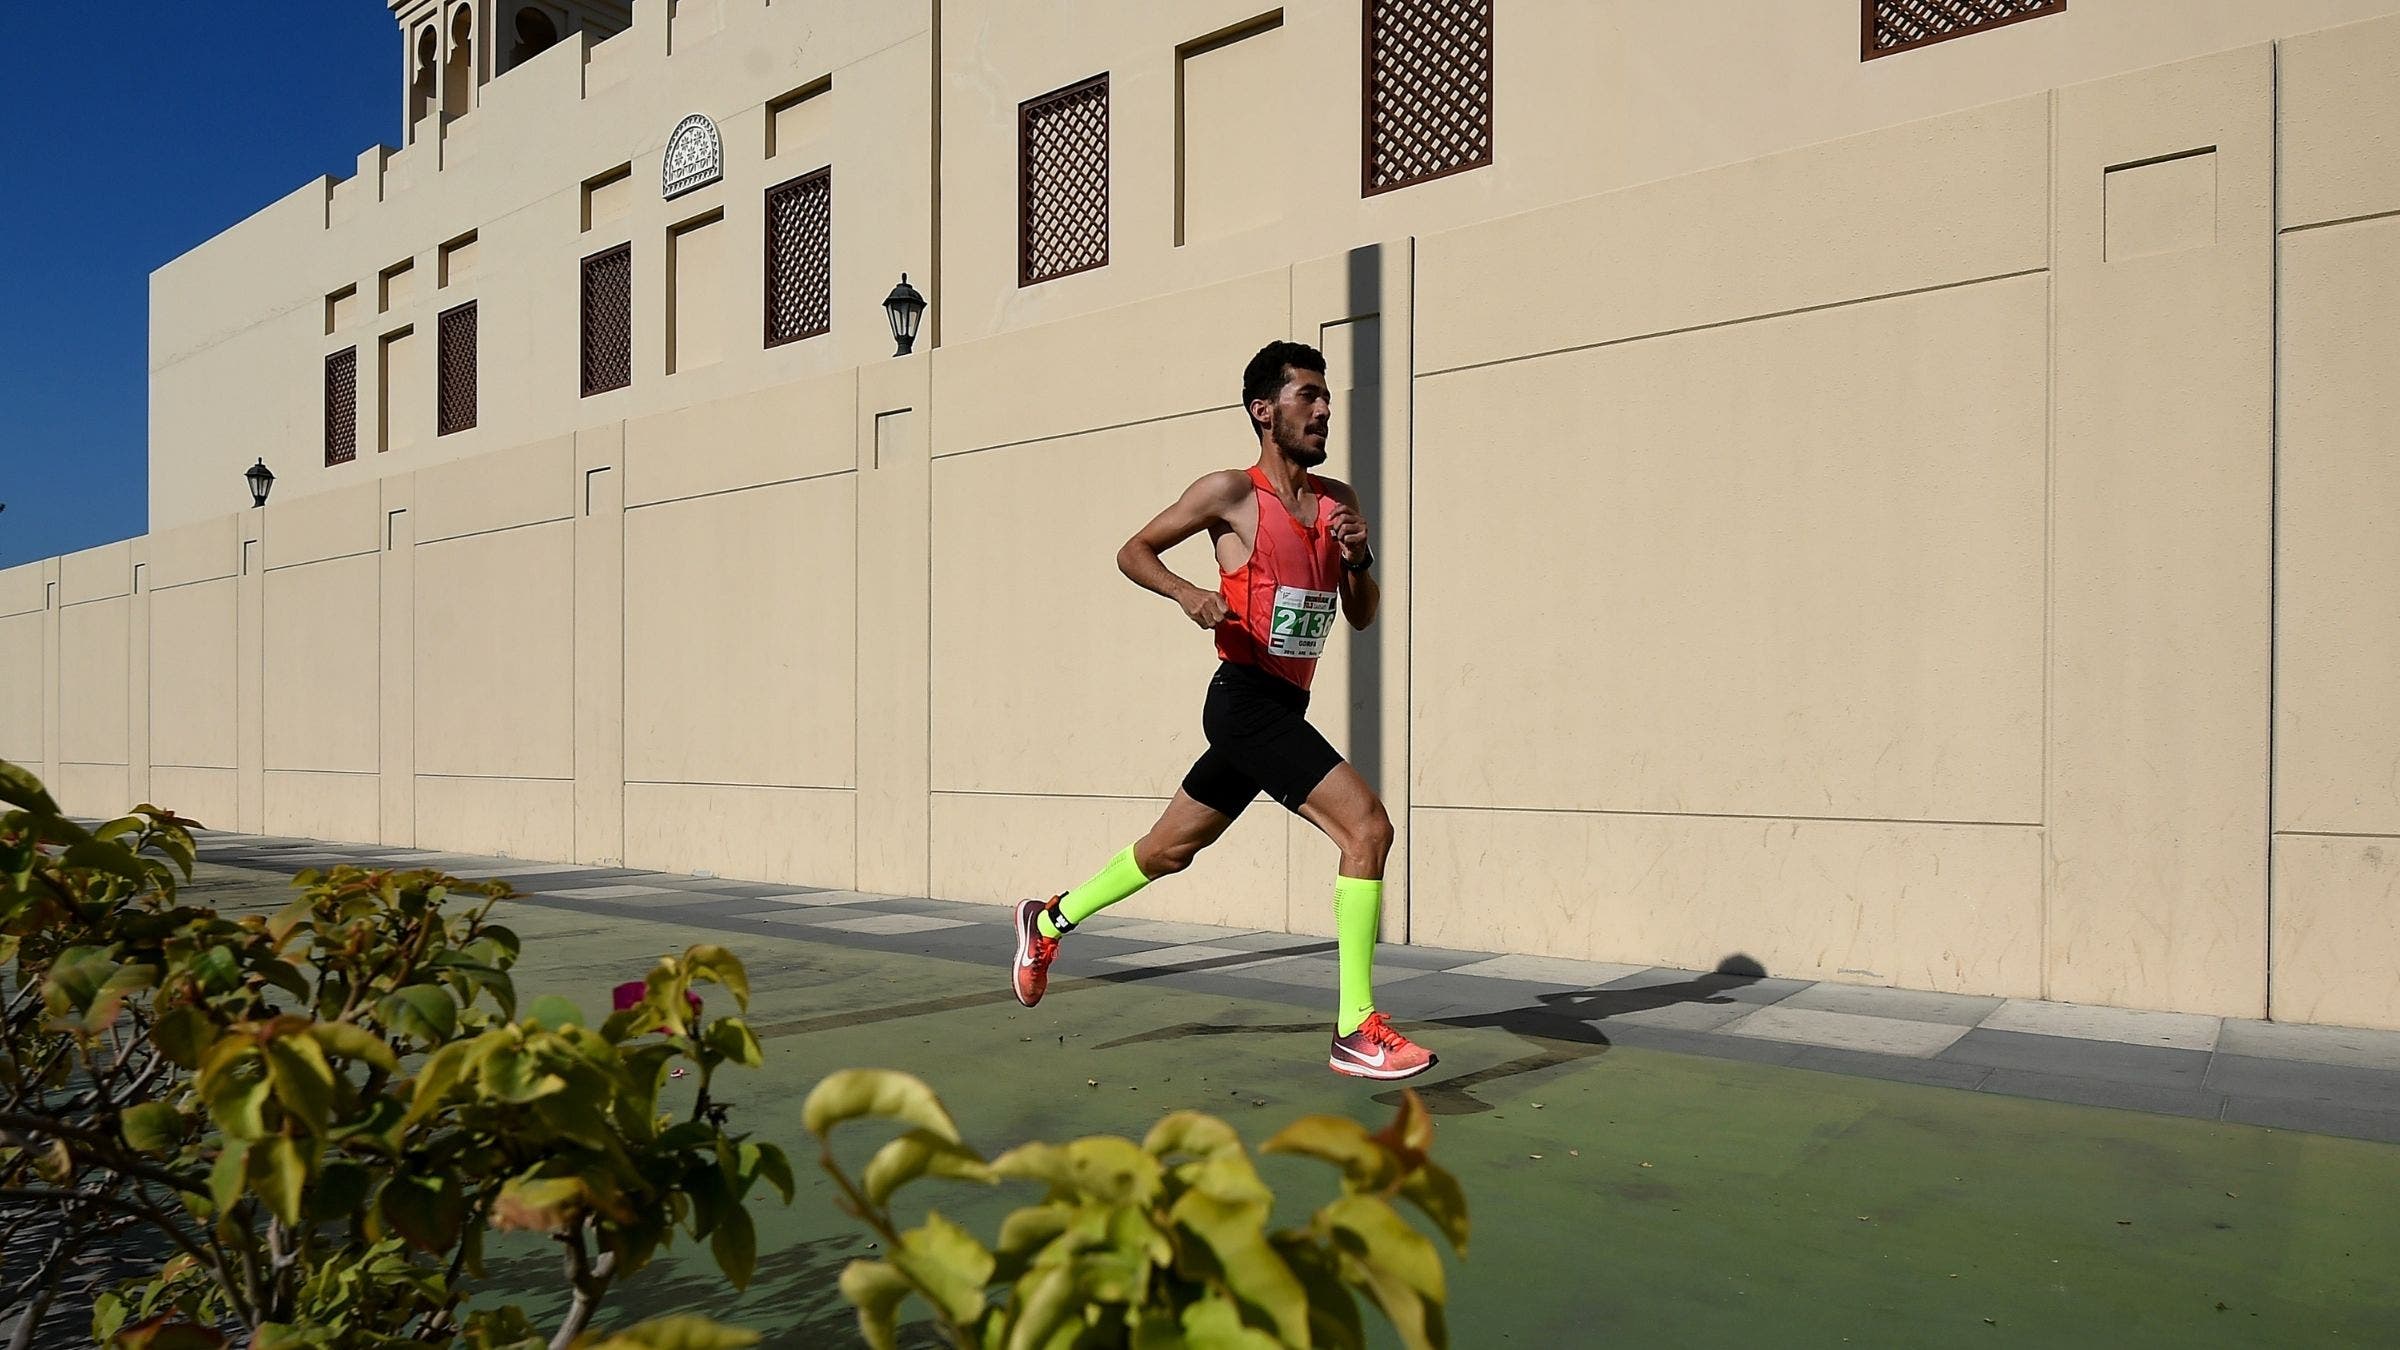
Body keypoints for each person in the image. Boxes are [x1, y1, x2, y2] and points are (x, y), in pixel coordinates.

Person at [1007, 340, 1433, 1081]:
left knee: (1170, 849)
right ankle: (1354, 1028)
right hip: (1242, 703)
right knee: (1368, 827)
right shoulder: (1230, 493)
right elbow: (1134, 550)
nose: (1325, 409)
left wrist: (1359, 560)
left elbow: (1360, 616)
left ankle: (1047, 922)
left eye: (1327, 398)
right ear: (1264, 411)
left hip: (1283, 704)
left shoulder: (1340, 504)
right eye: (1309, 396)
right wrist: (1186, 593)